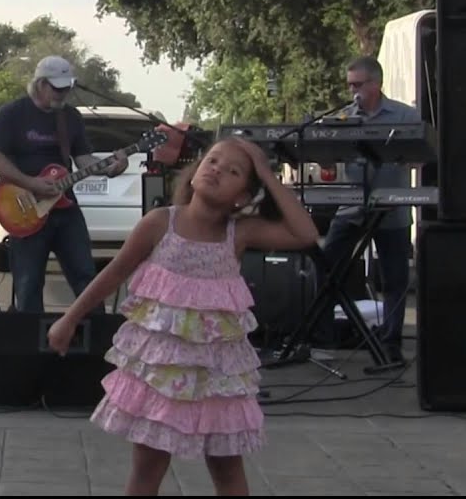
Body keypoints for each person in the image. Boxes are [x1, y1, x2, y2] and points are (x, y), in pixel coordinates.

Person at [47, 136, 319, 496]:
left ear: (242, 196)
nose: (218, 170)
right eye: (213, 161)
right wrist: (70, 318)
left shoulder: (239, 234)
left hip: (217, 377)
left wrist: (266, 174)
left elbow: (306, 233)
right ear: (195, 171)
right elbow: (114, 273)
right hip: (163, 373)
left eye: (234, 171)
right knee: (147, 470)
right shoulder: (160, 223)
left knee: (227, 469)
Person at [0, 55, 128, 313]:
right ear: (40, 84)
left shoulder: (70, 117)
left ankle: (93, 344)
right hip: (25, 208)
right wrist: (32, 183)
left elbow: (83, 159)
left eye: (67, 88)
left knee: (86, 277)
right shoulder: (13, 113)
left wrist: (110, 169)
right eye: (57, 88)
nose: (63, 94)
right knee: (28, 285)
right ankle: (30, 347)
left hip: (65, 208)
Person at [314, 56, 422, 364]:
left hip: (392, 209)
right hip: (352, 207)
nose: (353, 92)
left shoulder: (404, 115)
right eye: (350, 85)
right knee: (325, 266)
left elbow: (423, 157)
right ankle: (325, 338)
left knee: (394, 279)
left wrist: (405, 157)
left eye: (358, 85)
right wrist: (323, 156)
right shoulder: (344, 118)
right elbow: (328, 165)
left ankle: (391, 344)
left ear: (376, 84)